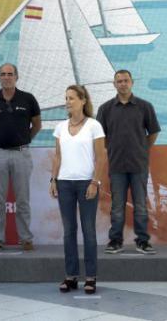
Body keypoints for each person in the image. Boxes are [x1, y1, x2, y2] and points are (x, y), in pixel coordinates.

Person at [97, 70, 160, 255]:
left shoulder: (145, 106)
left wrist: (142, 148)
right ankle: (115, 241)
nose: (123, 84)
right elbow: (101, 137)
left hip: (139, 165)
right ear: (114, 84)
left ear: (132, 82)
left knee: (140, 205)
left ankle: (142, 241)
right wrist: (112, 148)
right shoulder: (105, 109)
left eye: (126, 80)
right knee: (117, 206)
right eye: (119, 81)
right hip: (116, 165)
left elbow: (154, 131)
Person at [50, 85, 106, 295]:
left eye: (72, 98)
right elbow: (57, 156)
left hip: (86, 183)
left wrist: (95, 182)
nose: (67, 101)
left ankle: (90, 277)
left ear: (83, 100)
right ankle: (71, 276)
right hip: (64, 183)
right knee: (69, 231)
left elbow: (101, 157)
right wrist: (53, 179)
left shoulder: (94, 125)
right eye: (66, 98)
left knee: (89, 231)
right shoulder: (60, 127)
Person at [0, 63, 41, 251]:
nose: (7, 77)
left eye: (10, 74)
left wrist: (25, 139)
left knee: (22, 200)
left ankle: (26, 239)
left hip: (21, 154)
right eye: (3, 74)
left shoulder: (28, 99)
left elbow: (37, 124)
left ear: (16, 77)